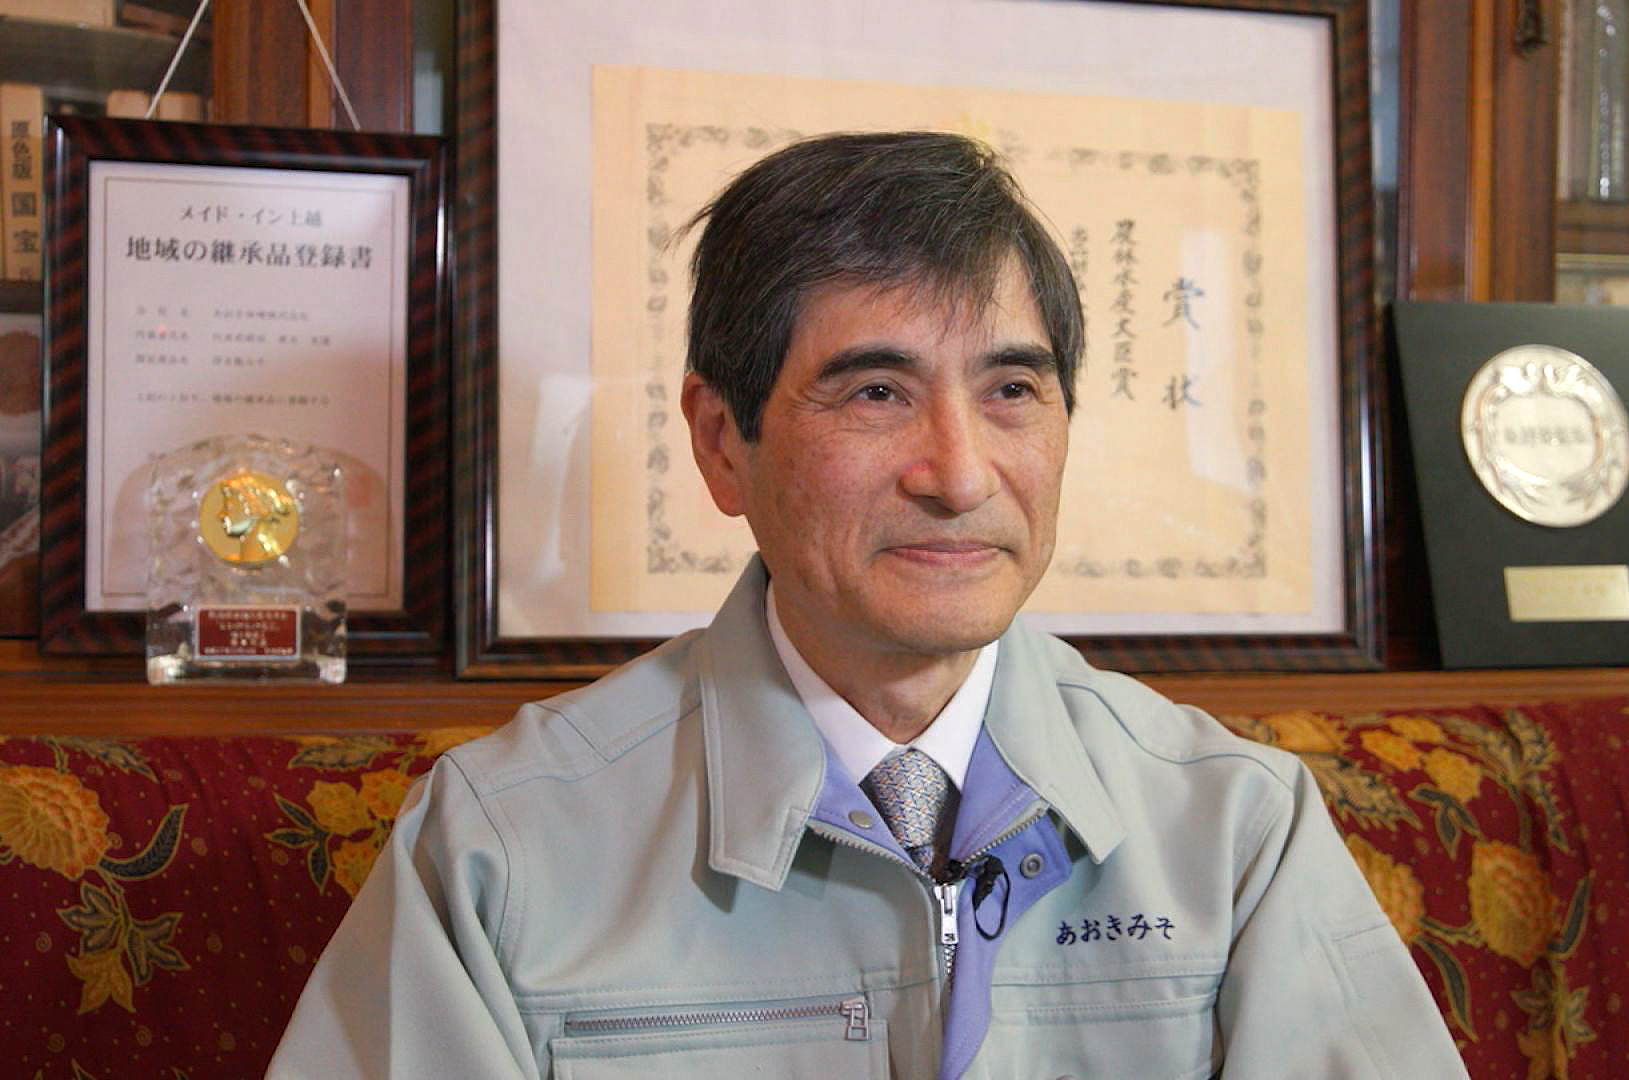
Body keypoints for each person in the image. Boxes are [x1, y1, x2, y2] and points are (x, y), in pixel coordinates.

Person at [268, 131, 1467, 1079]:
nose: (958, 474)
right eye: (876, 392)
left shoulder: (1234, 829)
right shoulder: (501, 846)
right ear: (722, 443)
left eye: (1011, 389)